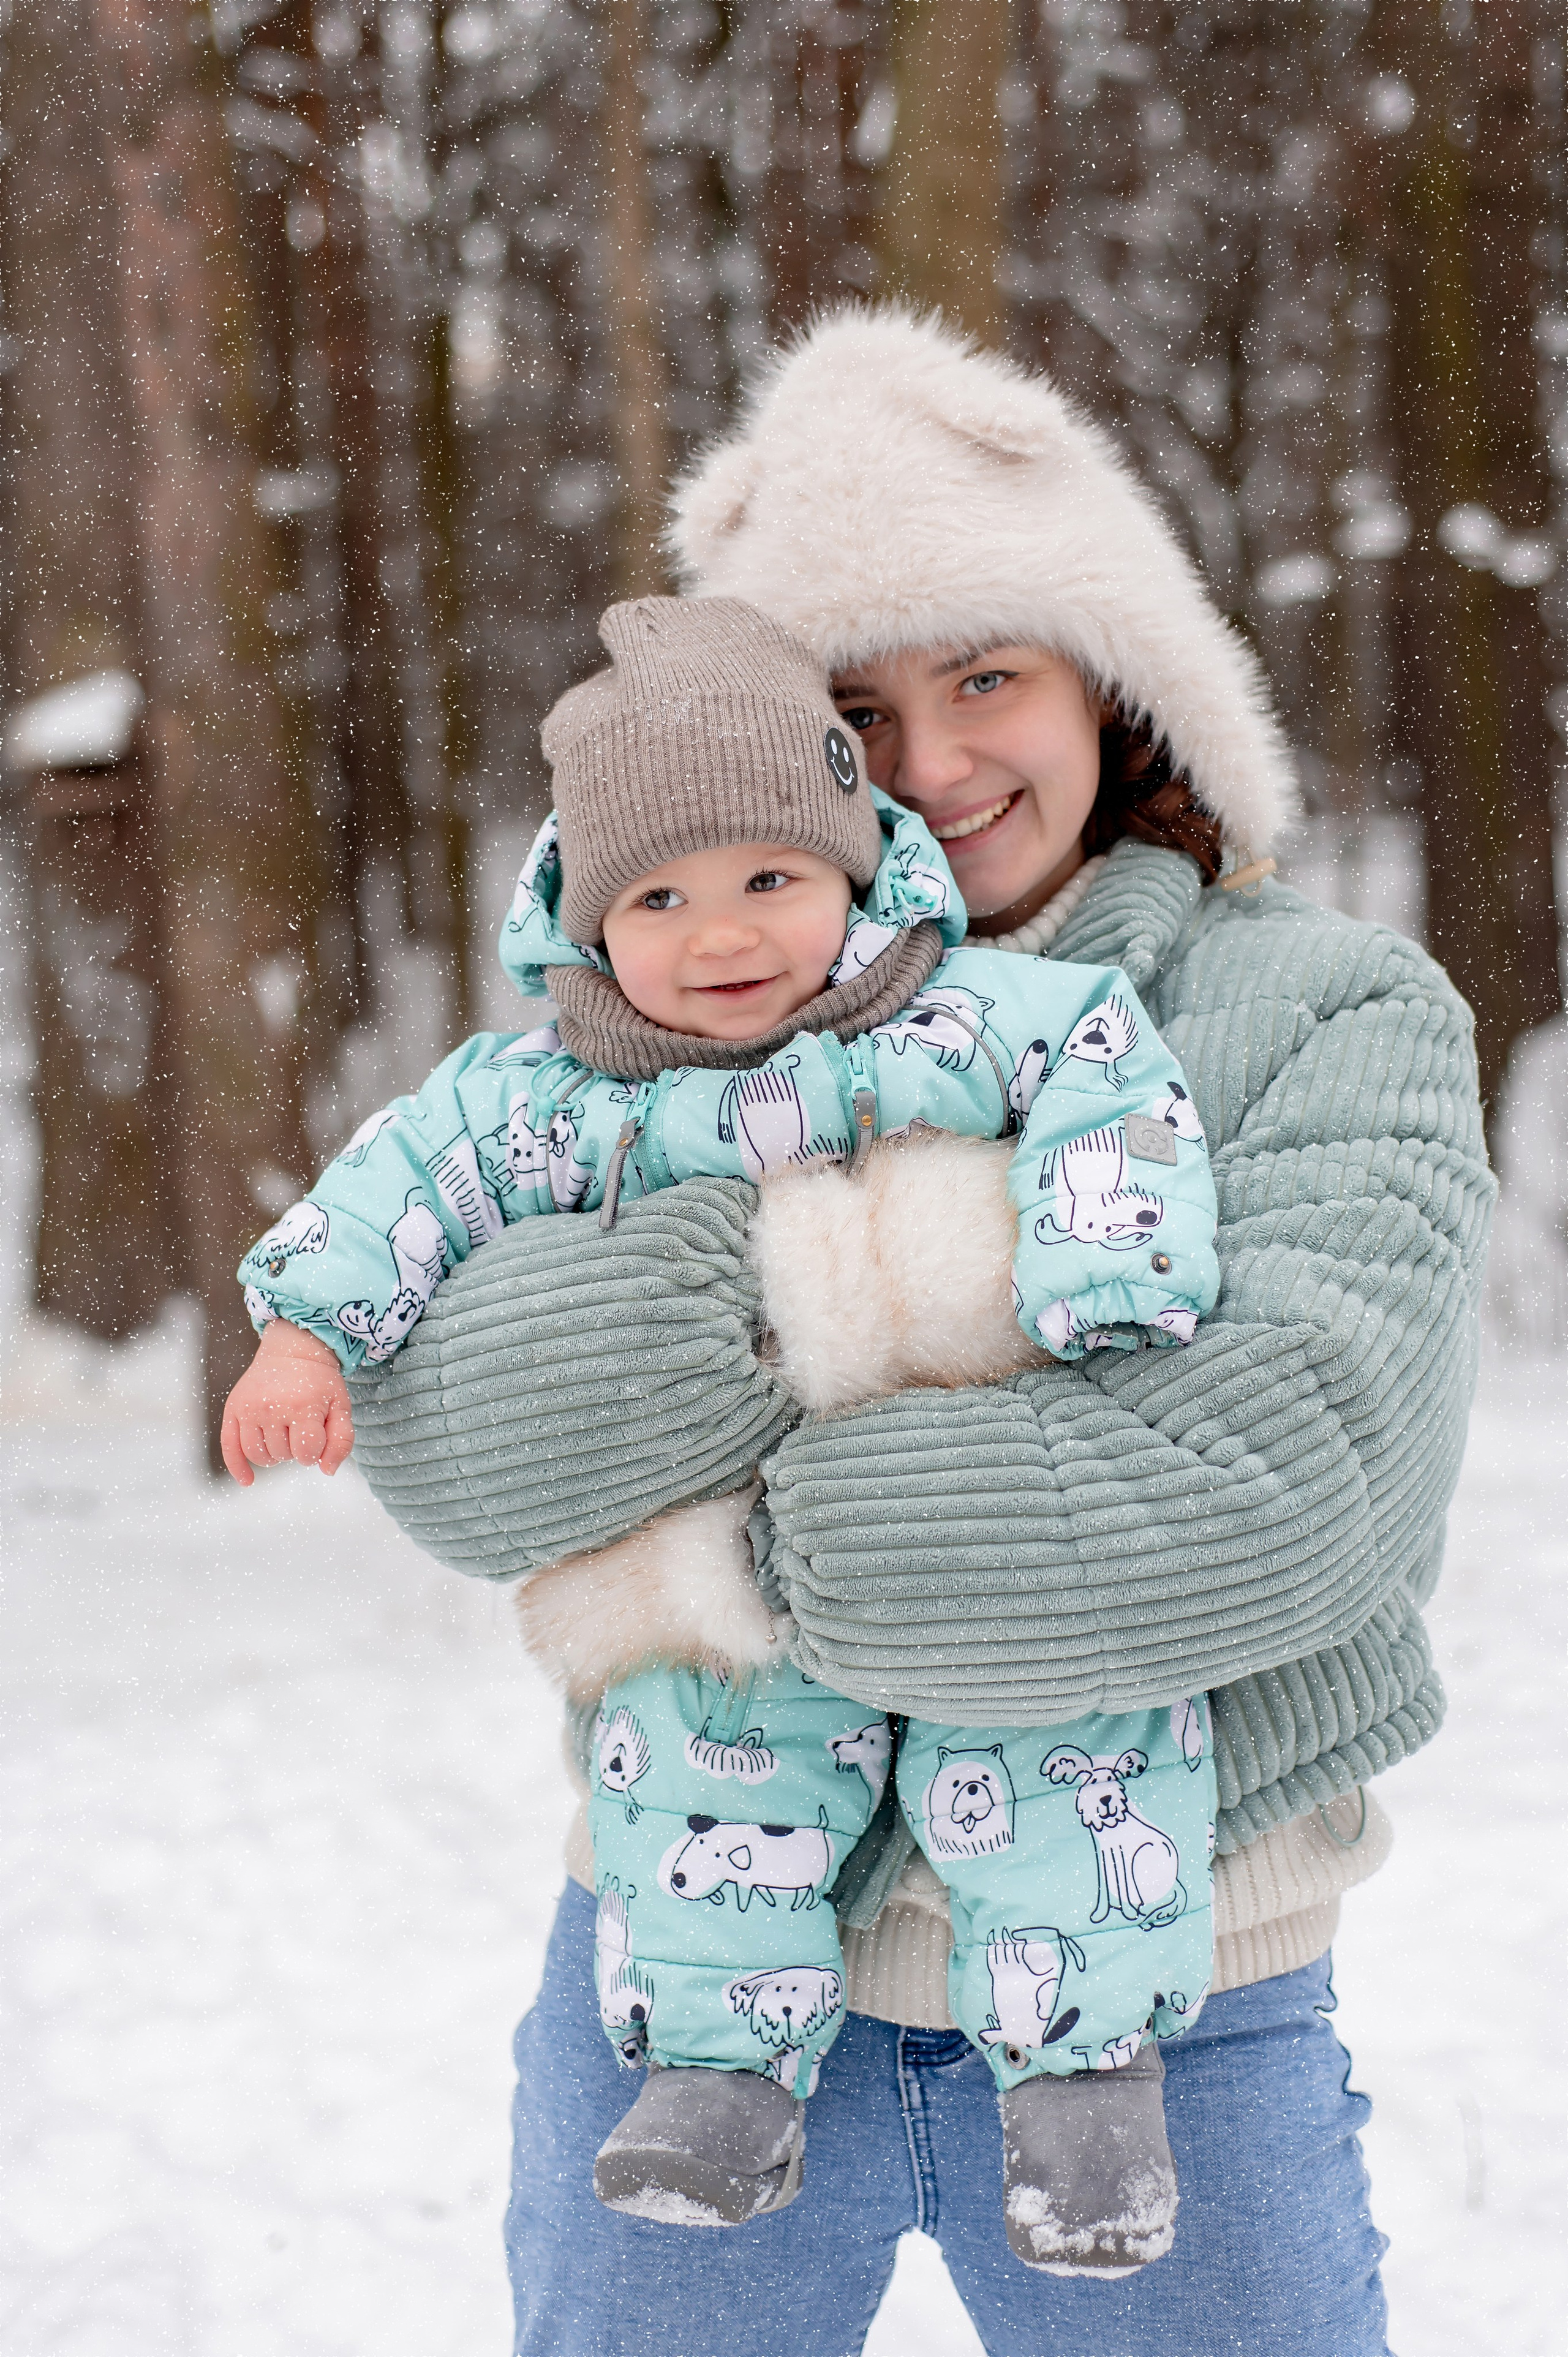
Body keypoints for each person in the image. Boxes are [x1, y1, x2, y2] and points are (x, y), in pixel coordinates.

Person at [344, 309, 1493, 2357]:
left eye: (990, 678)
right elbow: (461, 1446)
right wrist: (929, 1331)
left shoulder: (1323, 1008)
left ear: (1115, 686)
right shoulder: (631, 1034)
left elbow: (1290, 1487)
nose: (940, 763)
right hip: (682, 1984)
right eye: (860, 714)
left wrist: (738, 1548)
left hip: (1185, 2001)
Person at [224, 591, 1223, 2274]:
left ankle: (1086, 2089)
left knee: (1068, 1742)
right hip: (714, 1564)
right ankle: (715, 2077)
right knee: (694, 1767)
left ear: (863, 867)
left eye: (772, 876)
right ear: (584, 918)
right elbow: (397, 1183)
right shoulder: (542, 1094)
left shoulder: (951, 1012)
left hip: (977, 1519)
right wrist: (303, 1330)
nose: (723, 931)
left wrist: (1103, 1254)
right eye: (661, 897)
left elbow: (1108, 1067)